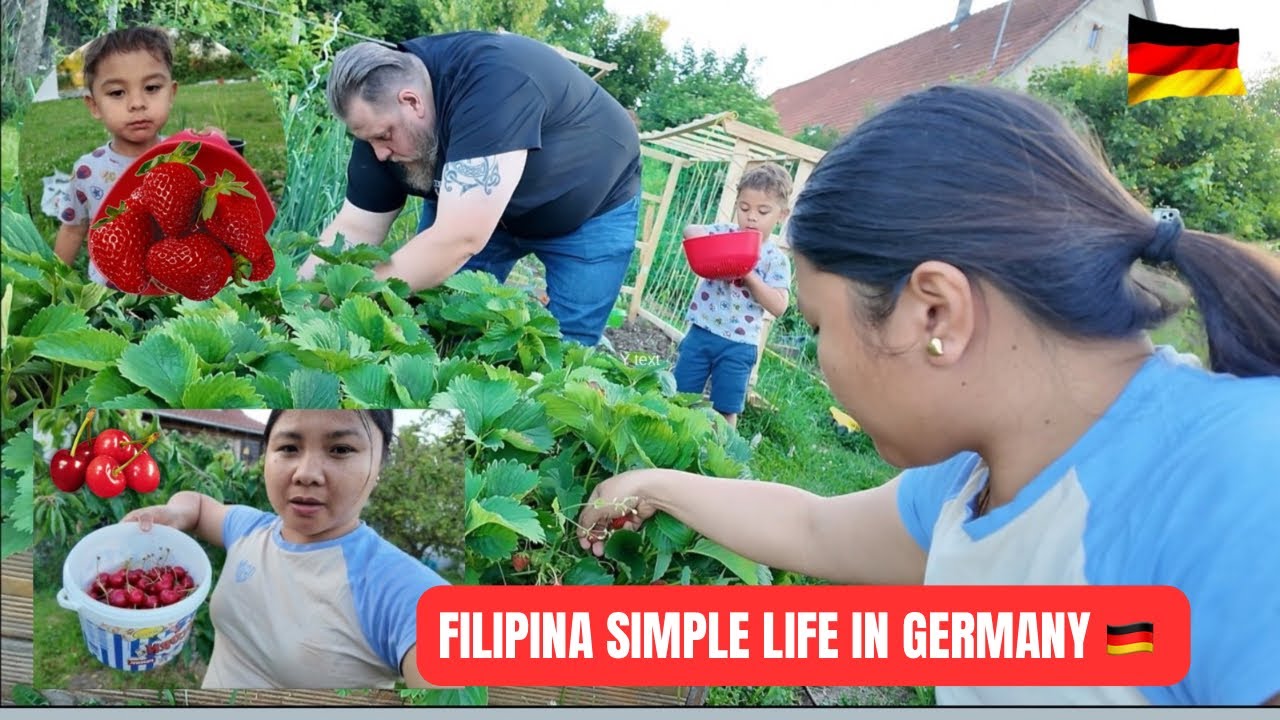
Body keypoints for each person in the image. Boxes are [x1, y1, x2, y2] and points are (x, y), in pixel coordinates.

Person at [577, 85, 1280, 706]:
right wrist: (657, 484)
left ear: (933, 312)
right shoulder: (984, 472)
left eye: (821, 324)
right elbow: (814, 528)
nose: (820, 357)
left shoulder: (1241, 489)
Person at [304, 32, 642, 347]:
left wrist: (353, 298)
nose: (379, 153)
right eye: (369, 139)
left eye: (382, 136)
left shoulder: (492, 81)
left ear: (412, 102)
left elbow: (458, 239)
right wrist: (298, 301)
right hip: (474, 210)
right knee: (440, 319)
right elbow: (355, 227)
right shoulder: (380, 121)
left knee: (567, 345)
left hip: (592, 209)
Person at [122, 410, 449, 689]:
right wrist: (175, 514)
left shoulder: (406, 589)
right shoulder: (251, 529)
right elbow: (198, 505)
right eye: (289, 447)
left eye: (341, 449)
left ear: (379, 465)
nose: (306, 474)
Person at [53, 26, 177, 285]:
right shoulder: (88, 170)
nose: (137, 103)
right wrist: (53, 285)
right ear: (94, 105)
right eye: (117, 93)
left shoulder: (184, 157)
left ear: (172, 93)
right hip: (109, 297)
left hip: (176, 292)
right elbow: (73, 229)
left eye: (152, 87)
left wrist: (218, 145)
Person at [675, 163, 794, 427]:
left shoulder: (776, 260)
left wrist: (749, 275)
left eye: (763, 211)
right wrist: (723, 254)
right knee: (679, 396)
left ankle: (723, 458)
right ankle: (672, 442)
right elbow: (690, 231)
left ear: (781, 215)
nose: (751, 217)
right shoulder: (726, 233)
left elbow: (779, 306)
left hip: (739, 344)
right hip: (702, 331)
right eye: (743, 208)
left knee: (726, 408)